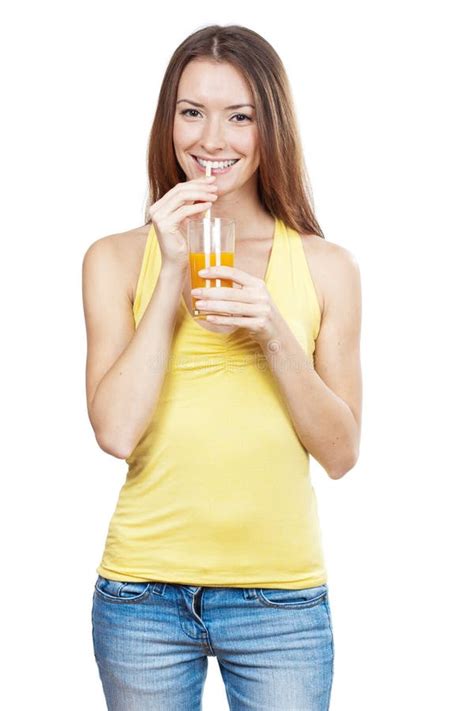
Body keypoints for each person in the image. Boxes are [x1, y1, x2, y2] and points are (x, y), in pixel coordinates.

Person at [82, 23, 362, 711]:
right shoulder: (114, 259)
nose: (213, 139)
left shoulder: (327, 267)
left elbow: (341, 452)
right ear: (167, 123)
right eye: (192, 112)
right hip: (142, 595)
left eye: (241, 115)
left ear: (271, 127)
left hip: (281, 600)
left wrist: (273, 331)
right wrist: (171, 266)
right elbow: (116, 431)